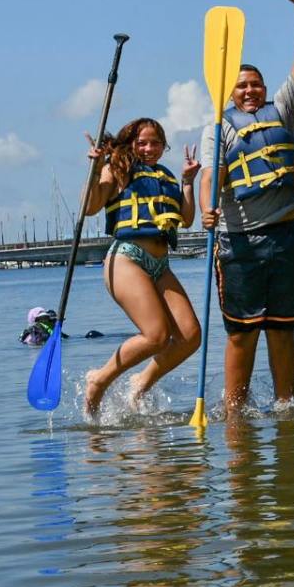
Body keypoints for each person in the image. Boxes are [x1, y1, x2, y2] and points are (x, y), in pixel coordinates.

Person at [199, 0, 294, 413]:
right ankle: (234, 412)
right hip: (239, 242)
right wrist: (206, 209)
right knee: (242, 333)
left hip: (286, 239)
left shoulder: (280, 110)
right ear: (229, 91)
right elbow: (211, 176)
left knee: (283, 330)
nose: (250, 91)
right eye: (242, 86)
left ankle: (286, 406)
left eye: (255, 85)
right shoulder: (219, 126)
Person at [83, 117, 201, 415]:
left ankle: (140, 381)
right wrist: (96, 168)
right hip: (127, 257)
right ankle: (100, 379)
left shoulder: (167, 176)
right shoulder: (117, 169)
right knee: (156, 336)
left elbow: (186, 219)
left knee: (190, 336)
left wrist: (188, 182)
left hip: (160, 263)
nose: (149, 148)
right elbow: (90, 207)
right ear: (130, 144)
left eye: (156, 143)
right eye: (142, 142)